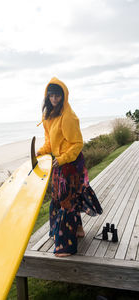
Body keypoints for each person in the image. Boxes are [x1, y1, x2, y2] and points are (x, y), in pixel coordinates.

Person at [36, 77, 103, 257]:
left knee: (67, 201)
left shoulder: (69, 117)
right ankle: (78, 229)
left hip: (71, 163)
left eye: (58, 96)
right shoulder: (49, 116)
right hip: (59, 163)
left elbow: (77, 143)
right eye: (51, 96)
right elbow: (50, 141)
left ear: (63, 96)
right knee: (60, 198)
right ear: (47, 96)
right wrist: (41, 152)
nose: (54, 99)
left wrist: (64, 158)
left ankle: (66, 245)